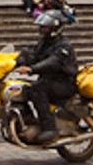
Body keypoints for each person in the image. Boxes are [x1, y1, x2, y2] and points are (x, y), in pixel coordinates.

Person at [17, 8, 79, 143]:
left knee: (38, 88)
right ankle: (28, 120)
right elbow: (34, 55)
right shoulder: (45, 43)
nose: (43, 30)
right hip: (50, 81)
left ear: (55, 27)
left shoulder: (64, 46)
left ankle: (49, 129)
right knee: (21, 88)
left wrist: (31, 69)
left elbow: (52, 63)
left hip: (64, 84)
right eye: (42, 27)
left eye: (45, 27)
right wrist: (16, 60)